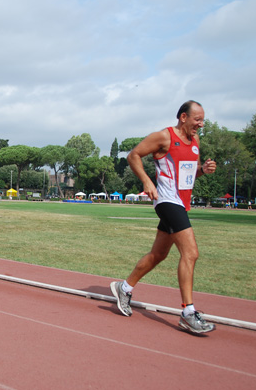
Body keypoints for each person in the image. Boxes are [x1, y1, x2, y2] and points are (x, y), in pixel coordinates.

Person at [110, 100, 217, 335]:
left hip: (182, 203)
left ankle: (124, 288)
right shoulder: (163, 137)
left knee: (158, 254)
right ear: (183, 117)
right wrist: (147, 181)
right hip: (167, 201)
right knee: (191, 253)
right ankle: (188, 313)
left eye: (202, 120)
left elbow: (188, 175)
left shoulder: (195, 141)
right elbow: (134, 155)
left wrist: (203, 170)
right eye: (197, 119)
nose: (200, 124)